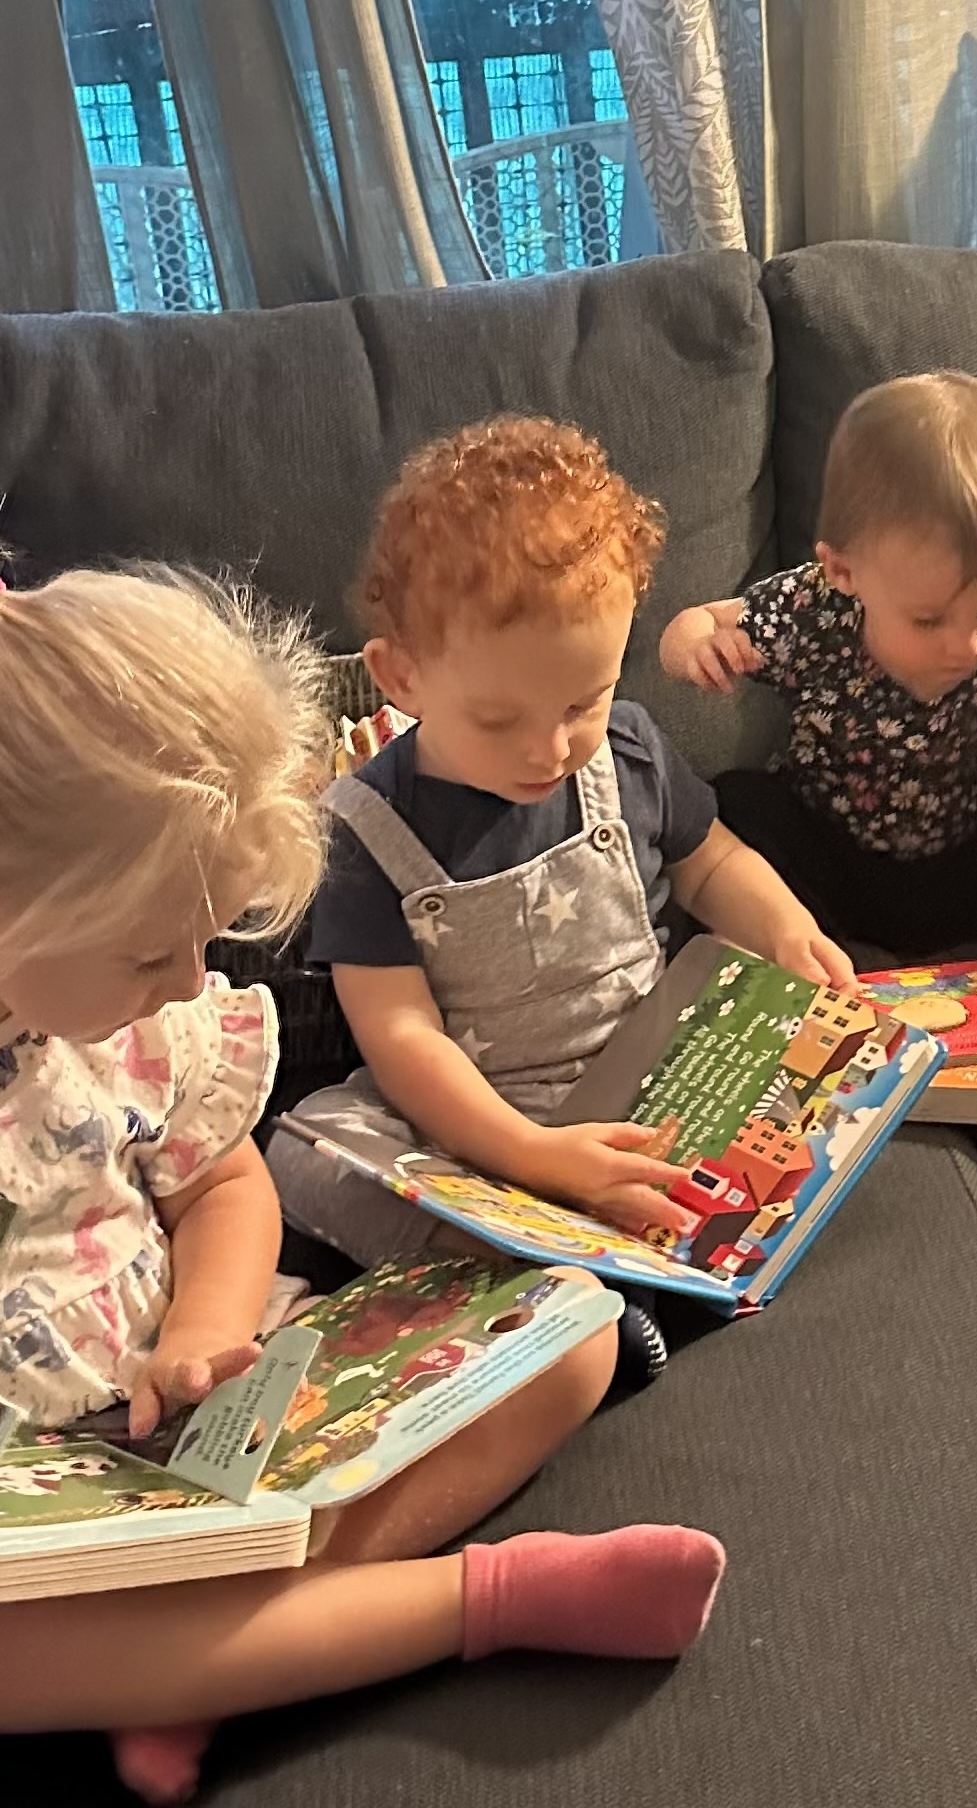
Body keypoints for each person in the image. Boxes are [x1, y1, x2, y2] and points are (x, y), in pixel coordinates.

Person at [0, 550, 724, 1806]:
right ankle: (477, 1601)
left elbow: (221, 1185)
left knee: (574, 1338)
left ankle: (190, 1657)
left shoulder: (122, 998)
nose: (188, 980)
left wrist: (206, 1330)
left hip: (187, 1411)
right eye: (155, 951)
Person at [272, 417, 853, 1296]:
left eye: (584, 703)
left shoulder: (628, 752)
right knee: (302, 1152)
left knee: (794, 1093)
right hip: (472, 1124)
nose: (550, 750)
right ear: (401, 678)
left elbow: (710, 862)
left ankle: (602, 1247)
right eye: (498, 720)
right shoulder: (365, 830)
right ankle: (506, 1261)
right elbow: (400, 1038)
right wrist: (528, 1153)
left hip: (650, 1079)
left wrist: (785, 930)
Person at [659, 371, 977, 996]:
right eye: (929, 620)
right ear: (843, 571)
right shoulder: (814, 610)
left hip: (969, 875)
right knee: (735, 803)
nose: (966, 643)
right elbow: (698, 622)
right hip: (832, 867)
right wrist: (694, 645)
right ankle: (796, 963)